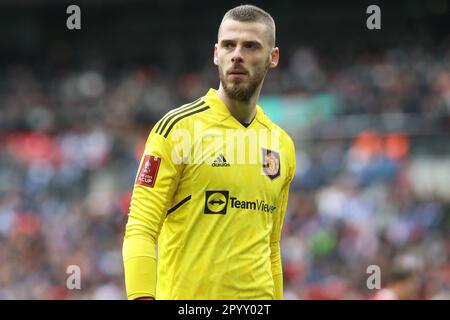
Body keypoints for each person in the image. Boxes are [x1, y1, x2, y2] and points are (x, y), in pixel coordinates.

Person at [122, 4, 296, 300]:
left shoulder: (281, 145)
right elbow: (140, 230)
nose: (237, 54)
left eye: (251, 46)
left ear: (273, 57)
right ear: (217, 53)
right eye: (229, 45)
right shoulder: (177, 129)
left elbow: (271, 248)